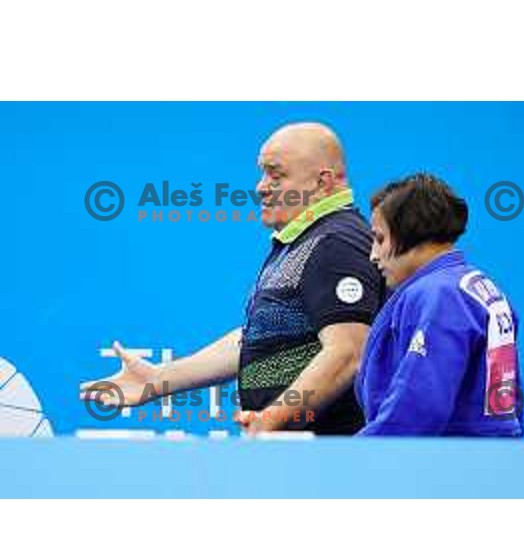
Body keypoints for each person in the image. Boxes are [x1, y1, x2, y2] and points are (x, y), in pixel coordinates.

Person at [81, 123, 384, 435]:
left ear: (322, 183)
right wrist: (160, 379)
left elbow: (348, 352)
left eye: (276, 175)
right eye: (262, 173)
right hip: (295, 449)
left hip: (326, 455)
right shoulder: (303, 242)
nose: (261, 187)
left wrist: (272, 418)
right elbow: (256, 339)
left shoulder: (336, 242)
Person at [355, 173, 523, 436]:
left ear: (411, 231)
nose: (373, 255)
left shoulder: (438, 295)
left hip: (443, 466)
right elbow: (512, 402)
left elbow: (416, 409)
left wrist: (354, 457)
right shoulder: (477, 286)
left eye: (379, 239)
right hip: (484, 458)